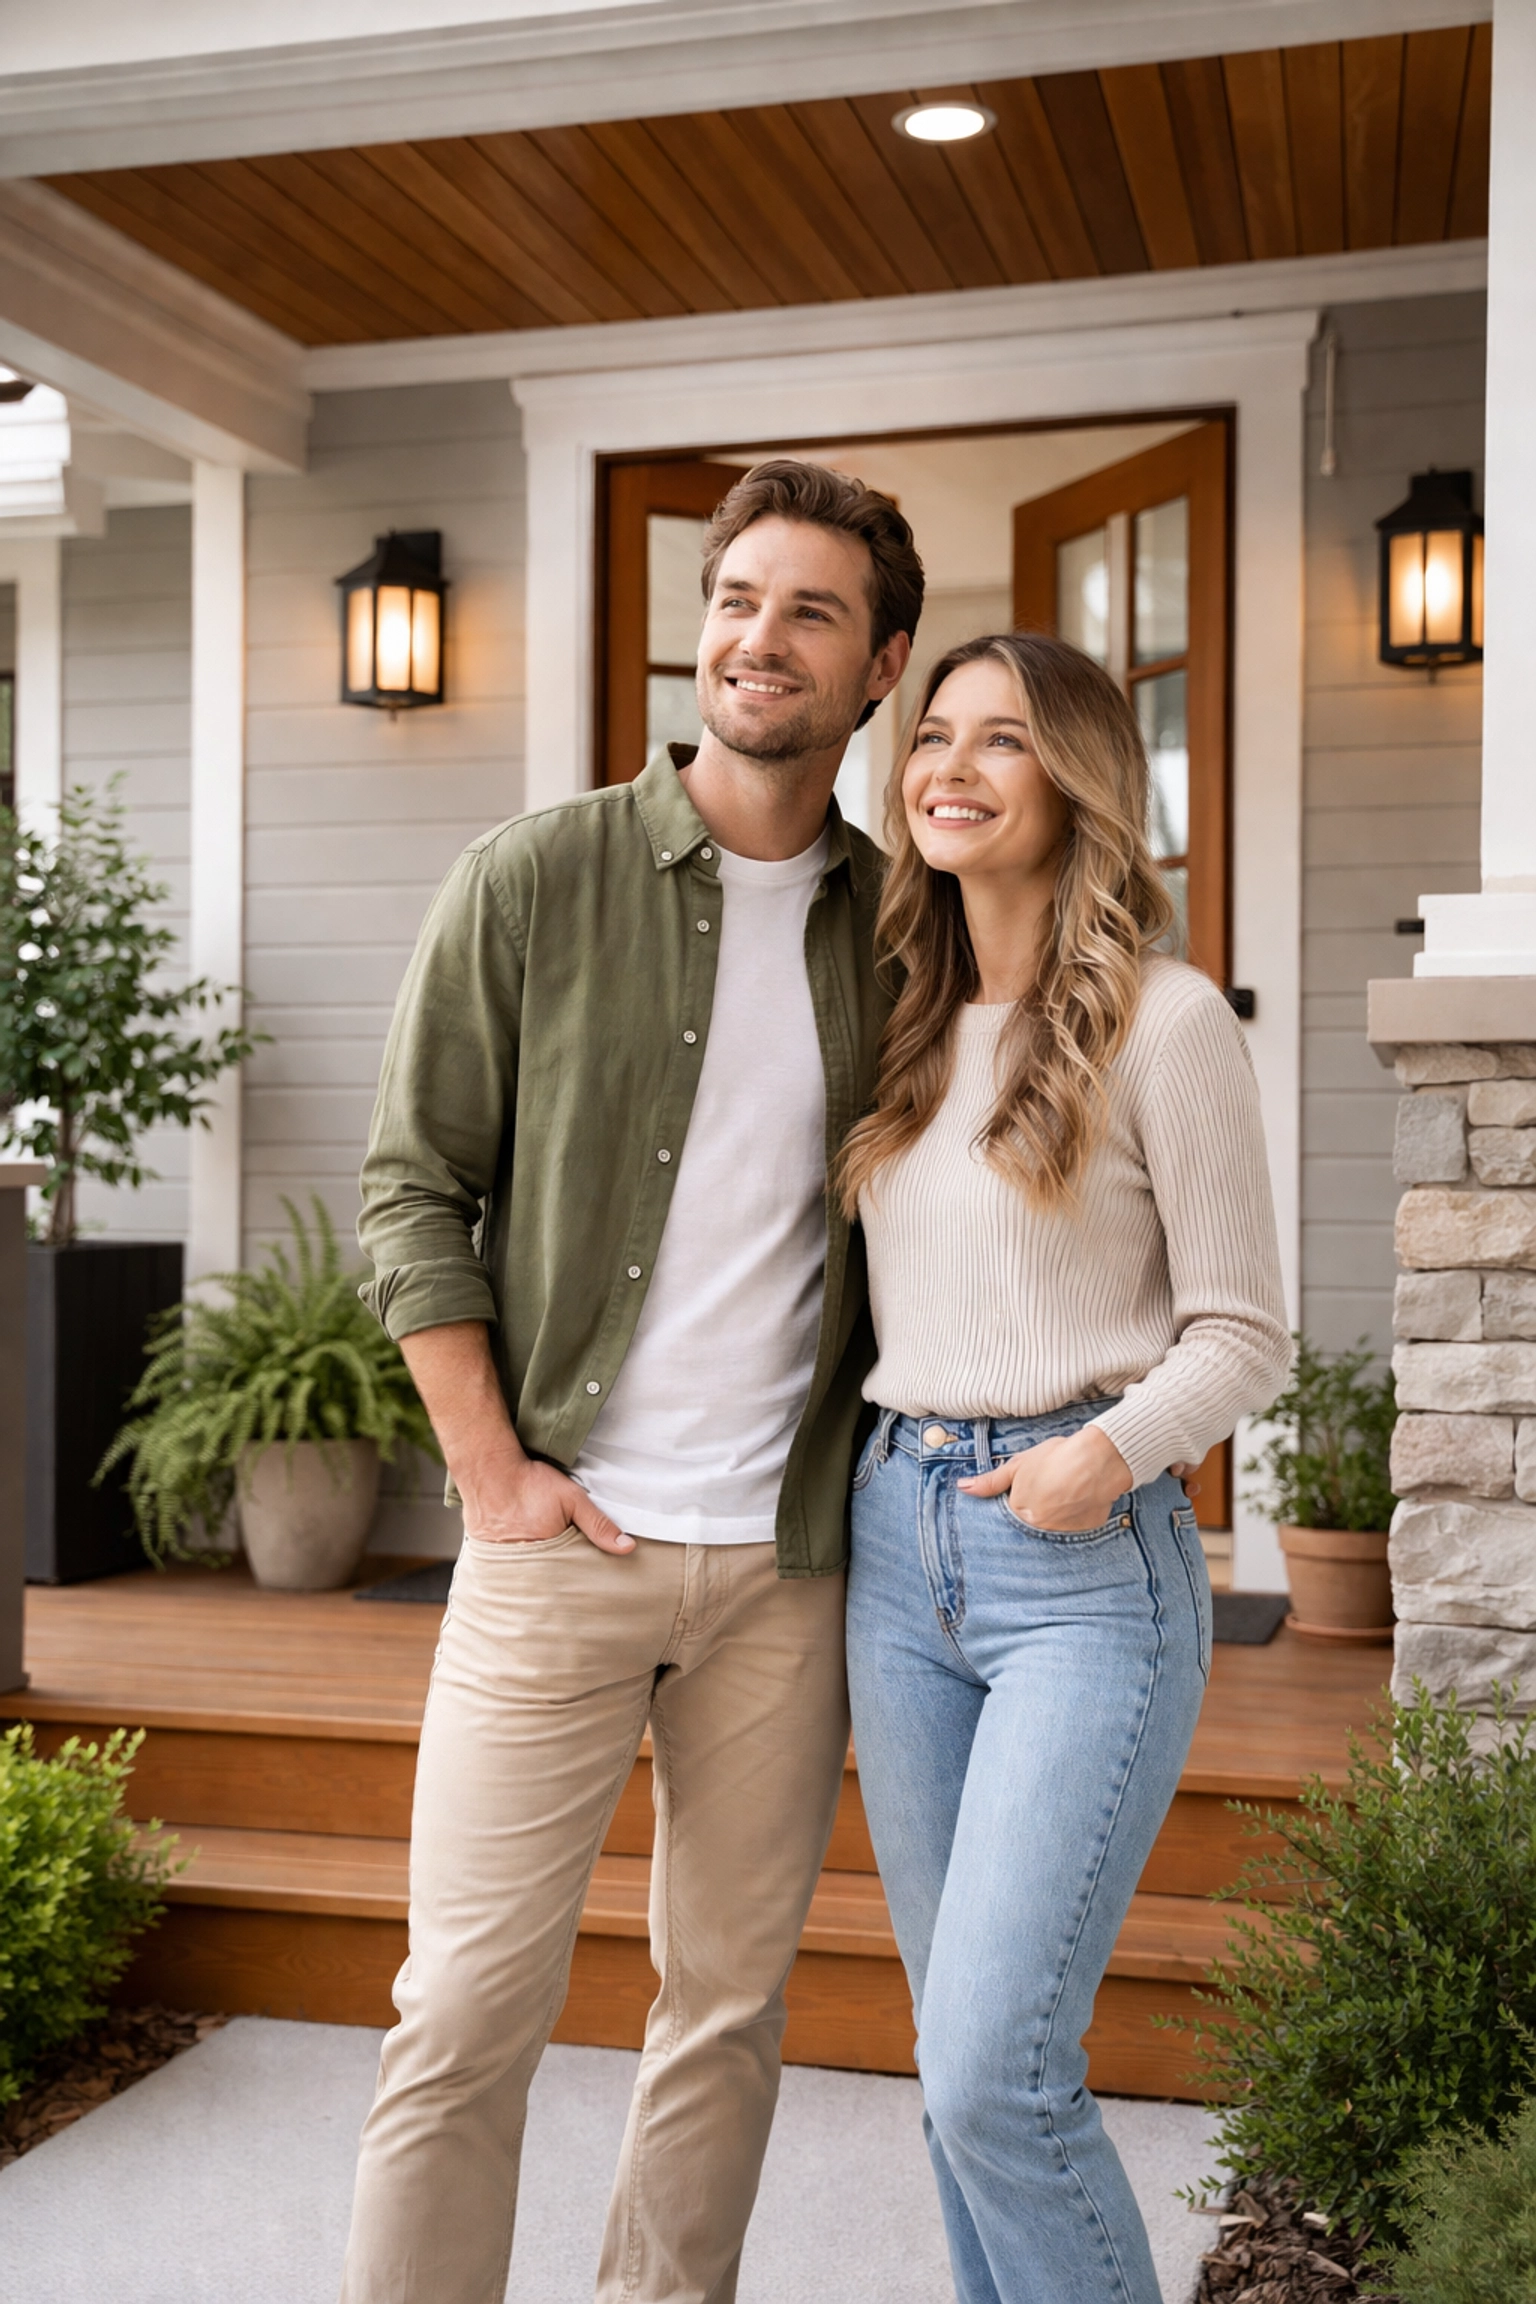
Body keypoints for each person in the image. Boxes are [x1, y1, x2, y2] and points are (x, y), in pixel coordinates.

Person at [338, 459, 922, 2304]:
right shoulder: (534, 878)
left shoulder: (911, 932)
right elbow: (410, 1182)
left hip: (787, 1570)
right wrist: (493, 1475)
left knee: (725, 2010)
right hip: (557, 1542)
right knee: (465, 2009)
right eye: (739, 598)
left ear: (880, 663)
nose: (762, 638)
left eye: (812, 610)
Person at [840, 632, 1290, 2304]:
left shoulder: (1168, 1023)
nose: (945, 766)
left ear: (1080, 778)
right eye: (931, 734)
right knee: (956, 2077)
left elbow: (1244, 1336)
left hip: (1082, 1568)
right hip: (898, 1552)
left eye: (1000, 741)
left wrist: (1095, 1460)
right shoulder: (898, 1019)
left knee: (992, 2071)